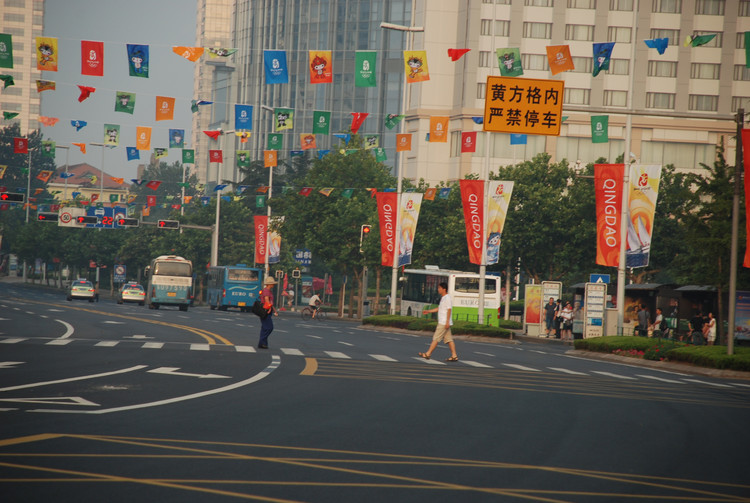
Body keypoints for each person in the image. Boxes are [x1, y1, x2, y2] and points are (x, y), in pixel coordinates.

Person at [419, 281, 458, 362]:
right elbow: (439, 309)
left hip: (443, 323)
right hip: (444, 322)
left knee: (436, 338)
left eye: (439, 288)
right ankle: (454, 355)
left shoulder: (447, 298)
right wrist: (428, 311)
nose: (438, 289)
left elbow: (449, 310)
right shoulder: (443, 298)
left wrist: (447, 322)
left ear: (444, 289)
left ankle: (428, 353)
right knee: (449, 339)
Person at [257, 277, 277, 349]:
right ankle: (262, 342)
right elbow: (267, 300)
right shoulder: (266, 291)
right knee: (269, 327)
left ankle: (262, 343)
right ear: (269, 284)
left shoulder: (269, 291)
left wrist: (274, 310)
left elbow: (270, 302)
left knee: (265, 328)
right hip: (265, 311)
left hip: (268, 310)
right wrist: (269, 309)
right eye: (272, 284)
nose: (273, 285)